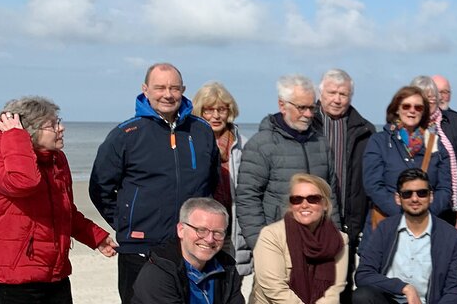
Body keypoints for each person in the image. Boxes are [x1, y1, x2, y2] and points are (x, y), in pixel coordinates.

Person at [90, 62, 219, 304]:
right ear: (145, 89)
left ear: (183, 89)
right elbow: (100, 187)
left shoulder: (201, 131)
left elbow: (210, 183)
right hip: (140, 248)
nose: (168, 95)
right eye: (160, 87)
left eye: (174, 88)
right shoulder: (126, 134)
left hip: (191, 246)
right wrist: (126, 222)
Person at [0, 98, 117, 303]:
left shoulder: (56, 159)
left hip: (54, 270)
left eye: (58, 121)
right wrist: (16, 136)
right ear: (29, 132)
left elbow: (64, 210)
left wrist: (95, 237)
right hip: (15, 273)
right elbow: (23, 182)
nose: (61, 128)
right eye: (53, 125)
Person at [237, 75, 340, 250]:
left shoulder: (321, 143)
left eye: (312, 108)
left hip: (318, 242)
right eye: (302, 108)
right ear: (282, 105)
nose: (308, 114)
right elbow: (247, 199)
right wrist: (262, 246)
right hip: (278, 244)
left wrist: (335, 238)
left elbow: (330, 197)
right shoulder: (261, 145)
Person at [353, 168, 457, 304]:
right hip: (390, 300)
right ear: (398, 198)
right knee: (363, 295)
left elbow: (455, 290)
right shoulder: (385, 228)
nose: (414, 199)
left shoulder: (450, 236)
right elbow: (364, 274)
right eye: (407, 194)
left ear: (431, 196)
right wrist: (404, 288)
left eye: (421, 193)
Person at [314, 69, 376, 302]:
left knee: (342, 284)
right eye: (332, 92)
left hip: (348, 222)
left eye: (343, 94)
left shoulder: (366, 130)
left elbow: (368, 180)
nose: (337, 99)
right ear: (321, 92)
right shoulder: (307, 123)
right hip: (311, 217)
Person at [250, 174, 348, 304]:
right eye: (297, 199)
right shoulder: (271, 236)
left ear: (325, 204)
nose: (304, 205)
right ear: (291, 205)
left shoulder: (339, 240)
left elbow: (334, 291)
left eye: (313, 199)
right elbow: (275, 290)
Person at [363, 86, 453, 223]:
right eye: (406, 106)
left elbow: (445, 188)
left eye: (418, 107)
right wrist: (403, 214)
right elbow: (373, 185)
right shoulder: (379, 141)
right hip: (388, 223)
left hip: (425, 224)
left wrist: (425, 213)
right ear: (396, 109)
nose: (412, 111)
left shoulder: (435, 144)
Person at [132, 197, 245, 304]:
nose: (209, 239)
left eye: (218, 233)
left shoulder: (226, 267)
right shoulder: (159, 272)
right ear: (181, 230)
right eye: (201, 230)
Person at [192, 81, 252, 275]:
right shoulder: (190, 143)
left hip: (233, 228)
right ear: (199, 112)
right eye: (208, 110)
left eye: (221, 109)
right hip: (200, 228)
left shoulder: (243, 145)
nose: (216, 116)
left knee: (231, 284)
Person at [412, 75, 457, 217]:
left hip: (447, 206)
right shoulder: (404, 131)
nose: (432, 99)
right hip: (415, 204)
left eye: (434, 95)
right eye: (426, 96)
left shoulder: (456, 122)